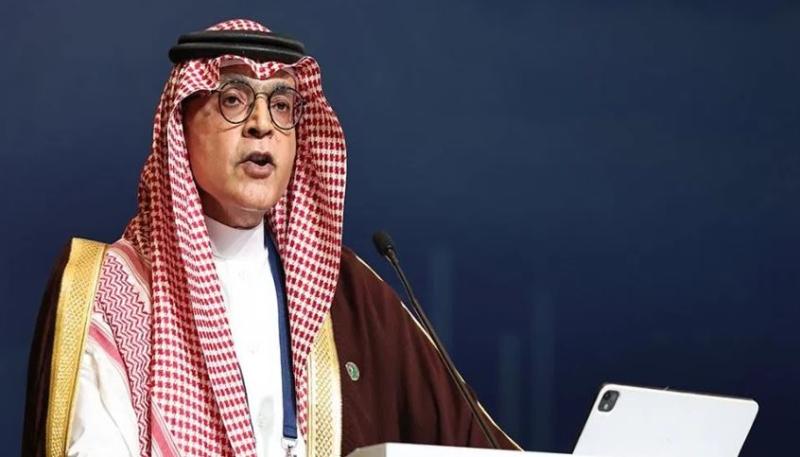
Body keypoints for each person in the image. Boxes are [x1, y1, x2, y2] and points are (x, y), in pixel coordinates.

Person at [21, 19, 519, 457]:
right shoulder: (111, 287)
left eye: (281, 105)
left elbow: (477, 444)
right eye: (233, 100)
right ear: (182, 126)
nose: (262, 125)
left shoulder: (343, 292)